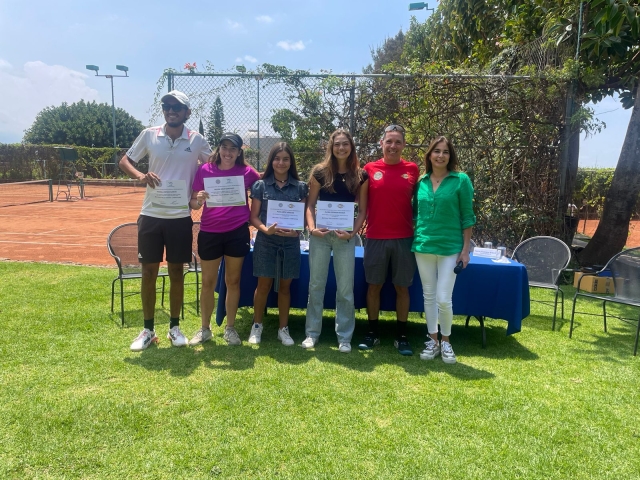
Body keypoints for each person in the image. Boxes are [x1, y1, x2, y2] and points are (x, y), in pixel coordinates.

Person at [119, 90, 212, 351]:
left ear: (187, 112)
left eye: (177, 107)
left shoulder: (197, 140)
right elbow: (125, 160)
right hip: (150, 215)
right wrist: (139, 175)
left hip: (180, 216)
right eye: (167, 106)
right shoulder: (150, 134)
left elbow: (217, 166)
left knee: (176, 273)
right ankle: (148, 330)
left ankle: (174, 328)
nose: (171, 110)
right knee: (148, 272)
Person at [188, 133, 260, 346]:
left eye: (233, 149)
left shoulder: (248, 172)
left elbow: (263, 189)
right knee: (208, 282)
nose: (228, 153)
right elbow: (193, 203)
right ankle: (205, 329)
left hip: (237, 233)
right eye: (225, 147)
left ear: (239, 152)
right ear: (219, 149)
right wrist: (198, 200)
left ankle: (230, 328)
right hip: (210, 232)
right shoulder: (204, 171)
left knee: (233, 282)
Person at [303, 129, 368, 353]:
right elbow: (310, 206)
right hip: (321, 237)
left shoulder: (361, 175)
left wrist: (352, 234)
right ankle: (312, 334)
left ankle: (344, 337)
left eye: (345, 144)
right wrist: (312, 229)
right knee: (316, 285)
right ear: (331, 147)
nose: (341, 148)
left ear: (351, 147)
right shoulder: (320, 172)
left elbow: (362, 211)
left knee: (345, 289)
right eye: (337, 144)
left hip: (345, 237)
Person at [413, 136, 476, 364]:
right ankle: (433, 341)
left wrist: (465, 249)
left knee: (443, 298)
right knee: (428, 296)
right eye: (436, 151)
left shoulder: (461, 180)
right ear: (429, 155)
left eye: (445, 152)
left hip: (451, 247)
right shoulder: (420, 182)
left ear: (451, 156)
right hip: (423, 246)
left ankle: (447, 342)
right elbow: (415, 214)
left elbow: (468, 217)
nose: (440, 155)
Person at [359, 124, 420, 355]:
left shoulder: (413, 169)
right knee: (373, 286)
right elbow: (362, 206)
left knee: (402, 288)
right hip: (375, 237)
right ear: (382, 144)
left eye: (398, 142)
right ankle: (372, 333)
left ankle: (401, 336)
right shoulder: (369, 168)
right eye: (389, 141)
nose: (393, 146)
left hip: (404, 239)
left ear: (403, 145)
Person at [249, 143, 308, 345]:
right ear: (271, 161)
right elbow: (254, 217)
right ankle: (257, 326)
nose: (281, 163)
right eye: (277, 158)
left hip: (290, 244)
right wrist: (265, 229)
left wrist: (296, 231)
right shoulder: (260, 186)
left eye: (285, 159)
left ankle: (284, 329)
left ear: (291, 162)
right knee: (263, 285)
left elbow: (302, 218)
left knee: (285, 287)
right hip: (266, 242)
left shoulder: (300, 187)